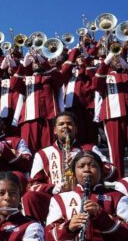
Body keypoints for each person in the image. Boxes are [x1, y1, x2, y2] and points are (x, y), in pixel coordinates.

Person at [25, 112, 115, 223]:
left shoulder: (90, 148)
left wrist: (85, 159)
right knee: (29, 197)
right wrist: (54, 188)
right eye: (61, 124)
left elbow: (111, 170)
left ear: (76, 129)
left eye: (69, 124)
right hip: (54, 197)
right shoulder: (43, 154)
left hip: (87, 195)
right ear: (54, 130)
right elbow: (32, 186)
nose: (65, 127)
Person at [45, 151, 128, 240]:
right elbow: (49, 235)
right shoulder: (59, 199)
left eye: (93, 166)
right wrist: (68, 228)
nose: (87, 169)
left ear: (101, 172)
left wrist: (102, 216)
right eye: (81, 166)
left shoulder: (117, 197)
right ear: (74, 173)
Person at [92, 50, 128, 179]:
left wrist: (124, 62)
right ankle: (119, 183)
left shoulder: (125, 74)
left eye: (120, 59)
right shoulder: (105, 75)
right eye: (115, 59)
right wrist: (106, 61)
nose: (117, 61)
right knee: (116, 153)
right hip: (111, 116)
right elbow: (96, 84)